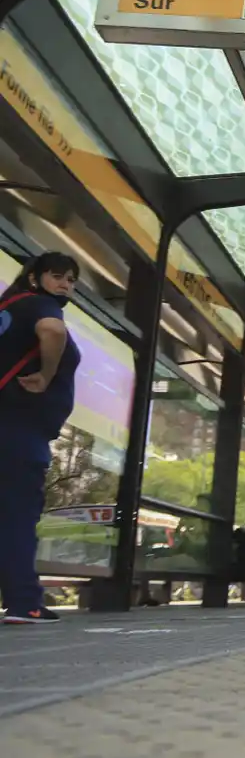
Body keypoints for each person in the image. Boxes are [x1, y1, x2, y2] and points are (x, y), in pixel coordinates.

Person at [0, 252, 82, 625]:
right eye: (57, 276)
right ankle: (24, 603)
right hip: (18, 428)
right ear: (34, 278)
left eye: (71, 280)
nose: (65, 285)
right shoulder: (39, 305)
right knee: (17, 515)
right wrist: (47, 375)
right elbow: (53, 331)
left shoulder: (8, 310)